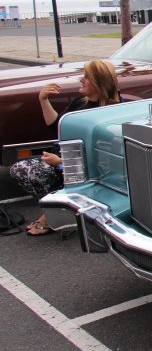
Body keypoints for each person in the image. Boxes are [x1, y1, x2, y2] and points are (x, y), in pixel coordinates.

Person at [10, 59, 120, 236]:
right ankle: (52, 212)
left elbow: (104, 160)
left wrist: (60, 161)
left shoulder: (111, 112)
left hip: (83, 172)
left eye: (86, 77)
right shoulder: (81, 102)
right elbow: (56, 126)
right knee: (19, 169)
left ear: (99, 82)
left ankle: (55, 215)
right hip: (63, 162)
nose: (81, 80)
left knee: (34, 173)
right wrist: (43, 99)